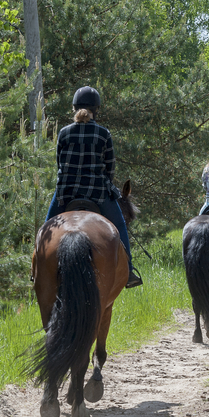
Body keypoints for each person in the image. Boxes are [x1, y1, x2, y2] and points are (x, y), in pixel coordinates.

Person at [45, 86, 142, 288]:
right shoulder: (103, 134)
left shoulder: (63, 133)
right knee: (120, 227)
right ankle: (130, 271)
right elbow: (110, 168)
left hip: (66, 192)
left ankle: (39, 267)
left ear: (74, 108)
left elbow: (59, 164)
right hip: (97, 194)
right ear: (96, 110)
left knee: (47, 228)